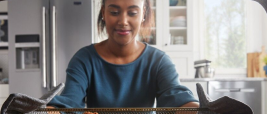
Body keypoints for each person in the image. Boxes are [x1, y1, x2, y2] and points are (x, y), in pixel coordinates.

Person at [48, 0, 199, 108]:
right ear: (103, 13)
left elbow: (178, 99)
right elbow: (69, 104)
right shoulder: (84, 59)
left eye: (132, 13)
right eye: (114, 12)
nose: (123, 21)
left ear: (143, 14)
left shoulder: (158, 61)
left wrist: (206, 113)